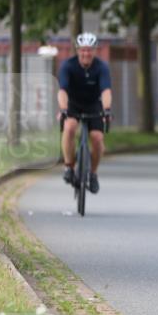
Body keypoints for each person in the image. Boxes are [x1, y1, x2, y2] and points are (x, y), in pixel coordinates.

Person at [58, 32, 112, 194]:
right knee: (70, 127)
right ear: (77, 50)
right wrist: (63, 109)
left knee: (97, 138)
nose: (86, 53)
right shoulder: (68, 66)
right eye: (83, 50)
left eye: (89, 50)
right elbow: (62, 91)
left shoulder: (101, 67)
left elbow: (106, 91)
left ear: (95, 51)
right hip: (73, 104)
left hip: (94, 105)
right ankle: (69, 166)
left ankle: (93, 174)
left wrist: (107, 110)